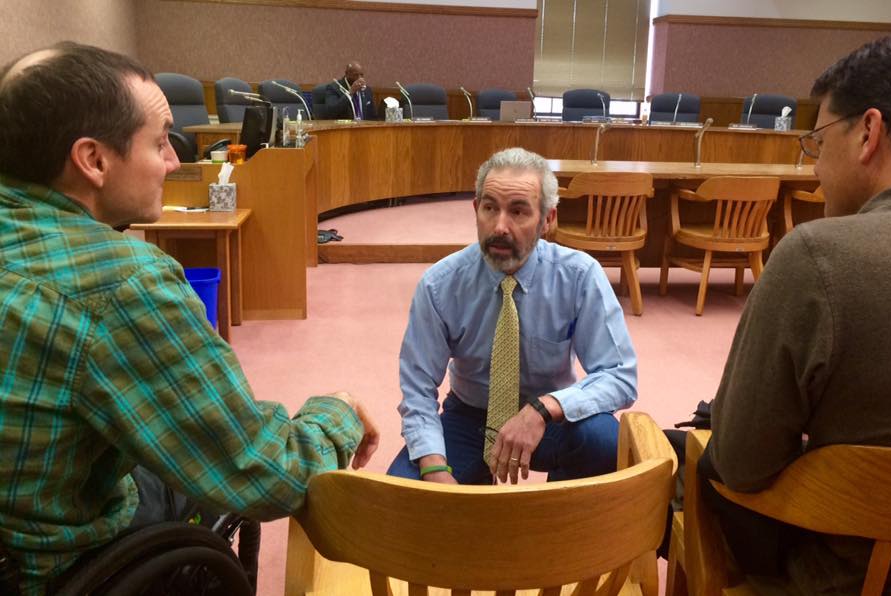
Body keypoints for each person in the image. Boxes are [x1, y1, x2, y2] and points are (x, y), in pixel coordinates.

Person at [0, 42, 378, 594]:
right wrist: (336, 412)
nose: (175, 162)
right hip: (56, 570)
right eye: (159, 143)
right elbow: (263, 474)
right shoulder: (122, 284)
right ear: (94, 160)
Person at [702, 29, 891, 592]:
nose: (815, 167)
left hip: (848, 581)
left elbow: (741, 465)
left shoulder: (817, 258)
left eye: (818, 141)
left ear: (869, 132)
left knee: (695, 459)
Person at [387, 147, 637, 485]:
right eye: (490, 208)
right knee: (405, 495)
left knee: (605, 441)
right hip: (469, 418)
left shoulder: (579, 276)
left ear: (548, 220)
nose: (500, 226)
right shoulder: (440, 284)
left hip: (553, 420)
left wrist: (544, 408)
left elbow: (619, 376)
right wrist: (433, 467)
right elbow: (417, 388)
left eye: (518, 212)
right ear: (476, 210)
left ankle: (562, 517)